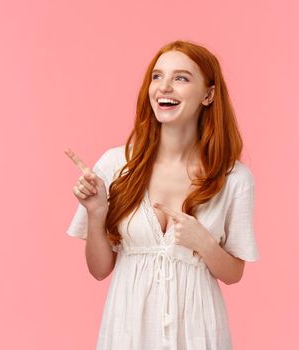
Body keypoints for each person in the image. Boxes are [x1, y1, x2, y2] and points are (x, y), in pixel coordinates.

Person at [64, 39, 260, 349]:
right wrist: (96, 213)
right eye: (157, 76)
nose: (164, 87)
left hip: (198, 332)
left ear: (208, 94)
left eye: (181, 78)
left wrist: (204, 243)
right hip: (127, 330)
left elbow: (234, 273)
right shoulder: (116, 165)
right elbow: (99, 270)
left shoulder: (234, 178)